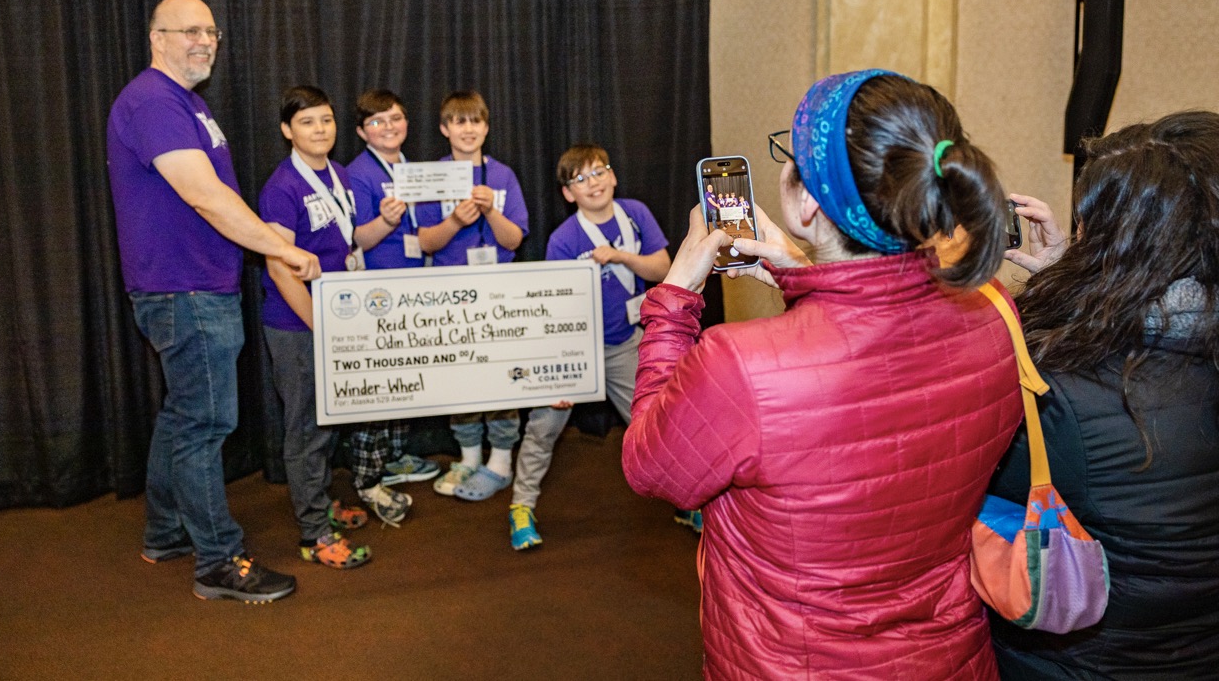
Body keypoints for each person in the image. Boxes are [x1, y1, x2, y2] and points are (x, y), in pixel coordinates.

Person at [622, 70, 1024, 678]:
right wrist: (802, 269)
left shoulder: (739, 364)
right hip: (947, 657)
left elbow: (651, 465)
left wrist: (676, 294)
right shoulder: (995, 309)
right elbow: (869, 352)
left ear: (807, 201)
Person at [988, 110, 1219, 679]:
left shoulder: (1068, 397)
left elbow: (959, 481)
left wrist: (1064, 293)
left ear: (1120, 245)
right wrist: (1078, 279)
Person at [107, 0, 319, 603]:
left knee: (183, 416)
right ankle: (218, 562)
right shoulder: (153, 100)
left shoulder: (186, 103)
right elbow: (205, 195)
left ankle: (167, 532)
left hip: (194, 284)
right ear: (157, 38)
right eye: (189, 31)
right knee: (206, 423)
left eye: (211, 31)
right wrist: (279, 250)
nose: (204, 41)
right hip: (185, 289)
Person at [508, 144, 670, 550]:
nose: (592, 183)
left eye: (599, 172)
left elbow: (663, 268)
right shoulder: (563, 238)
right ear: (568, 193)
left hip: (623, 342)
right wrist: (558, 371)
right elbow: (554, 307)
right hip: (573, 351)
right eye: (580, 179)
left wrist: (619, 256)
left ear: (613, 176)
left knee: (656, 423)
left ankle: (686, 499)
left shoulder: (635, 213)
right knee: (543, 428)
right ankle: (521, 507)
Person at [258, 86, 372, 569]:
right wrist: (318, 325)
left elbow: (347, 241)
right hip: (297, 324)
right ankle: (313, 535)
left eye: (326, 120)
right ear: (287, 130)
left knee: (328, 421)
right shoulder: (281, 187)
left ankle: (322, 503)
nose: (320, 130)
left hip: (333, 319)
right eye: (307, 122)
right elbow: (278, 264)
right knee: (305, 427)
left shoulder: (339, 175)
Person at [415, 90, 529, 501]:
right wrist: (454, 220)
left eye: (475, 121)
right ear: (445, 129)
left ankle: (501, 458)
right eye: (459, 122)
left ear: (486, 127)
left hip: (497, 290)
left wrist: (491, 212)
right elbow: (426, 242)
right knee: (460, 376)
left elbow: (515, 240)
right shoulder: (433, 174)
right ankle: (467, 455)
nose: (468, 129)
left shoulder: (503, 176)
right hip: (450, 291)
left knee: (500, 373)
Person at [344, 89, 440, 496]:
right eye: (377, 121)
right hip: (375, 291)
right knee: (377, 386)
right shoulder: (357, 172)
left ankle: (396, 455)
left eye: (396, 118)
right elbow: (356, 238)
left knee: (405, 378)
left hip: (412, 283)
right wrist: (385, 221)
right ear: (362, 132)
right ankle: (369, 474)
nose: (389, 127)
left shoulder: (413, 169)